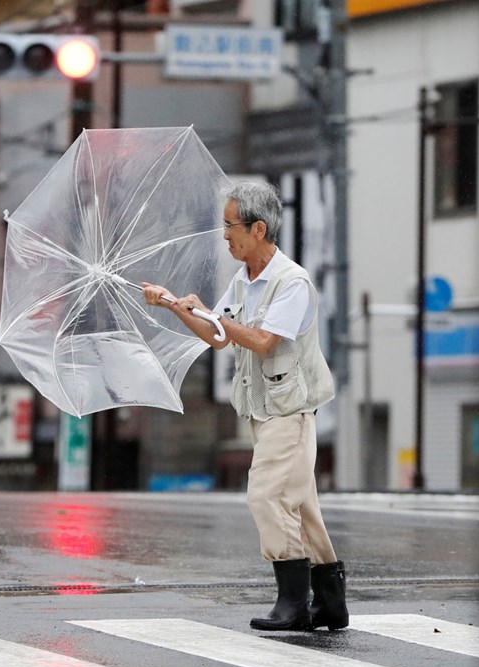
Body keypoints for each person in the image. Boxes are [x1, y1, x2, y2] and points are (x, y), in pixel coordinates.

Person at [142, 181, 348, 632]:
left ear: (258, 228)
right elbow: (218, 336)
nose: (225, 236)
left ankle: (293, 603)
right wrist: (176, 306)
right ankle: (331, 604)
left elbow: (260, 339)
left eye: (230, 226)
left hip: (288, 411)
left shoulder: (291, 282)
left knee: (266, 496)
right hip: (263, 409)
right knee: (300, 504)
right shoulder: (243, 279)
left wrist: (220, 318)